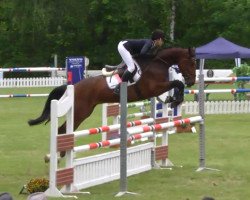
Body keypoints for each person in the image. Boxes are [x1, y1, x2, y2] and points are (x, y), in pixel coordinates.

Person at [113, 29, 165, 95]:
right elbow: (142, 53)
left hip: (127, 48)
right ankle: (119, 87)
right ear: (159, 39)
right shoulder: (149, 43)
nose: (162, 42)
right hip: (123, 46)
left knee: (135, 67)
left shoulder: (152, 44)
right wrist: (151, 56)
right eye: (163, 40)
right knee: (131, 67)